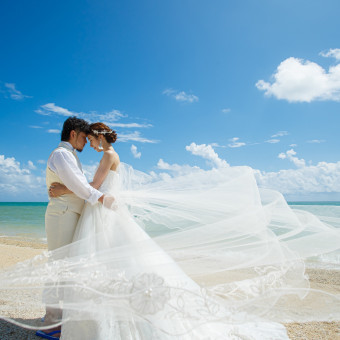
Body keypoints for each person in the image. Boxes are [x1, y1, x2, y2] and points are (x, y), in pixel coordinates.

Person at [0, 123, 339, 339]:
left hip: (100, 214)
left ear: (99, 138)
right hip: (101, 212)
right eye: (85, 139)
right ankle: (69, 317)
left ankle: (75, 319)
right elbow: (92, 188)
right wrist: (75, 191)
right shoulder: (103, 157)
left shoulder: (107, 158)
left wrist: (64, 190)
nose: (89, 144)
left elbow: (92, 188)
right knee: (104, 265)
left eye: (92, 139)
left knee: (96, 264)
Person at [39, 117, 113, 339]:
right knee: (58, 266)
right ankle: (51, 322)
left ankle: (56, 316)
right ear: (73, 134)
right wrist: (102, 199)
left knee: (66, 266)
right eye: (83, 137)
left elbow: (76, 185)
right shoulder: (62, 154)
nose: (85, 142)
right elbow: (80, 186)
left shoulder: (69, 156)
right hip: (62, 215)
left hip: (69, 214)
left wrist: (65, 189)